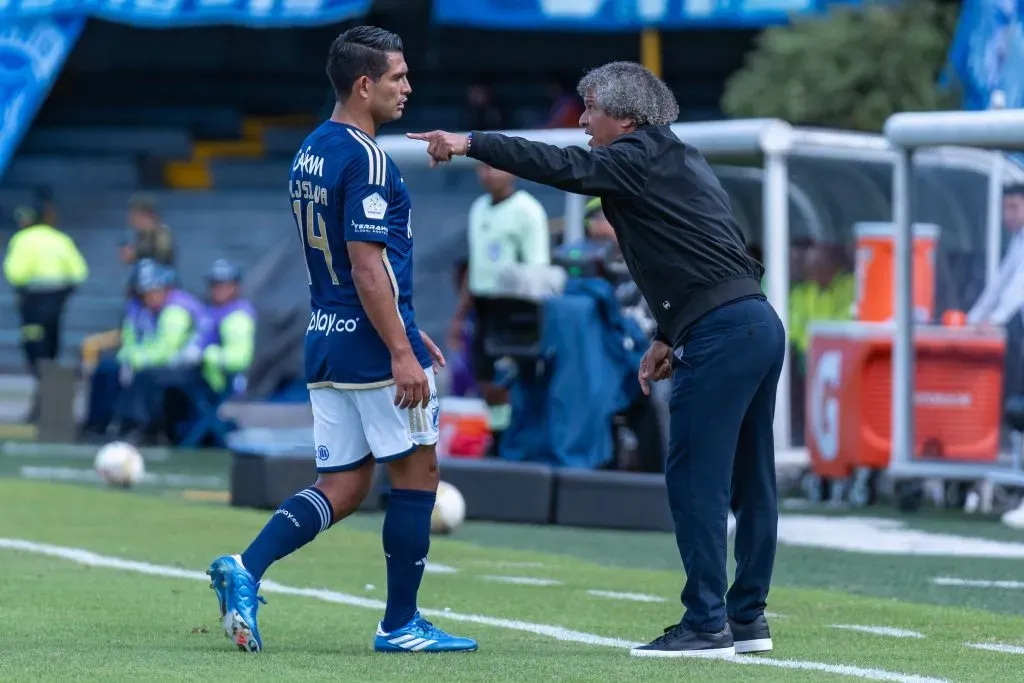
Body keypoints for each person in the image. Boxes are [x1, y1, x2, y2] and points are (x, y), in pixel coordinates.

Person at [409, 60, 784, 658]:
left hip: (721, 333)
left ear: (627, 118)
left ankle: (706, 623)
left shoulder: (634, 157)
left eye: (592, 110)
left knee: (695, 479)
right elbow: (713, 252)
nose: (581, 121)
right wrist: (666, 334)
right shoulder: (681, 158)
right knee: (751, 479)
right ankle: (748, 620)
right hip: (755, 321)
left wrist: (471, 141)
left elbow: (562, 167)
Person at [205, 26, 477, 655]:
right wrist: (401, 348)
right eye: (397, 77)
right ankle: (401, 625)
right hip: (372, 349)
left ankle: (245, 570)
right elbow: (364, 265)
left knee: (345, 487)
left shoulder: (312, 150)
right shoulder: (368, 157)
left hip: (326, 337)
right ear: (364, 84)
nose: (408, 87)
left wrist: (407, 323)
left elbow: (347, 269)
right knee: (418, 476)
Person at [3, 205, 88, 419]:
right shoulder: (60, 238)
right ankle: (48, 402)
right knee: (51, 351)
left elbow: (15, 273)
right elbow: (79, 272)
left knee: (35, 350)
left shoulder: (23, 239)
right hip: (57, 301)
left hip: (33, 303)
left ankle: (43, 400)